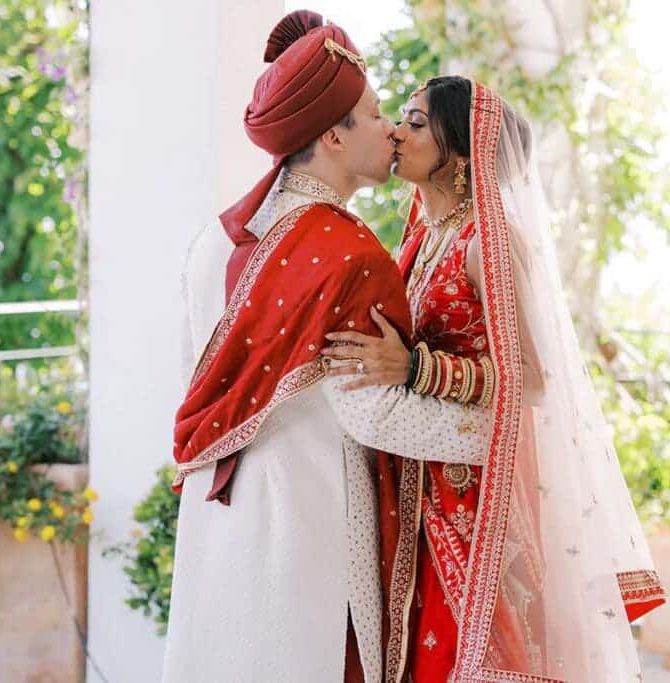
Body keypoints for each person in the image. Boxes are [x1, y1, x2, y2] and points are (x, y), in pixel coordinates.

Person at [163, 16, 491, 683]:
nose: (392, 130)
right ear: (334, 134)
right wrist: (502, 434)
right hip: (305, 528)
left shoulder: (214, 242)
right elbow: (379, 417)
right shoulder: (347, 253)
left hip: (217, 518)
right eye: (375, 115)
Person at [322, 76, 667, 682]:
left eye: (418, 122)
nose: (398, 132)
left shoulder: (490, 241)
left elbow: (532, 380)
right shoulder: (424, 238)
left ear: (460, 149)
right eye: (399, 117)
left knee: (469, 655)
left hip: (473, 496)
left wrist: (416, 367)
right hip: (416, 479)